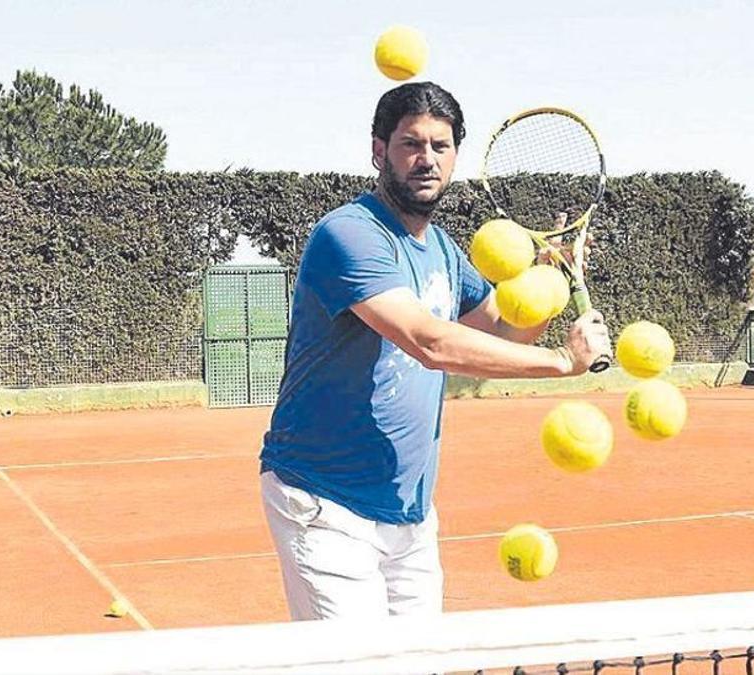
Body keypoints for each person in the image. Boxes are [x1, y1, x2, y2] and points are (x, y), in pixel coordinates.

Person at [258, 81, 612, 621]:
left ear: (454, 157)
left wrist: (550, 281)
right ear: (379, 151)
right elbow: (430, 341)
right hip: (323, 502)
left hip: (409, 510)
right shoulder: (349, 234)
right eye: (411, 144)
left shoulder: (443, 250)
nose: (426, 159)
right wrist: (564, 363)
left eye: (440, 147)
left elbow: (499, 332)